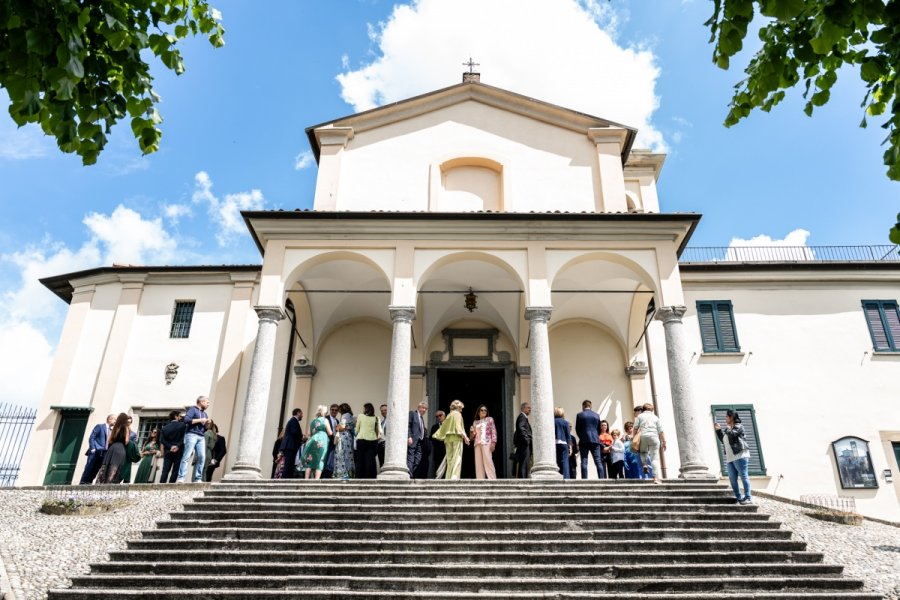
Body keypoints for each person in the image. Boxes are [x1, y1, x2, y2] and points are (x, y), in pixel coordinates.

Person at [715, 409, 752, 504]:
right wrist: (719, 431)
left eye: (727, 417)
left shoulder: (739, 426)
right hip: (730, 458)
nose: (725, 418)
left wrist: (727, 429)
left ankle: (748, 497)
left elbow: (733, 434)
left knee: (744, 476)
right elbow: (724, 440)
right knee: (732, 479)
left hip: (740, 455)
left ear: (731, 417)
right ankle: (739, 498)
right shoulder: (728, 429)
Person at [177, 395, 211, 483]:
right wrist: (200, 420)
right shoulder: (193, 409)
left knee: (202, 457)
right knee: (187, 456)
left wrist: (207, 423)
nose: (208, 404)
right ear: (201, 402)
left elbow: (205, 427)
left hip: (201, 436)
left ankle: (198, 478)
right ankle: (181, 477)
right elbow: (186, 420)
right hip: (191, 434)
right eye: (207, 402)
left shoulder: (205, 413)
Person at [432, 399, 469, 479]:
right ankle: (454, 477)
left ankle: (448, 477)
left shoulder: (449, 415)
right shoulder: (457, 414)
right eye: (461, 408)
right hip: (456, 438)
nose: (461, 410)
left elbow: (443, 428)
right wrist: (465, 437)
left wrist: (438, 435)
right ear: (458, 407)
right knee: (457, 458)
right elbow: (458, 427)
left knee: (449, 460)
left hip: (448, 439)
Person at [633, 402, 666, 484]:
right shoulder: (655, 417)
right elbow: (661, 431)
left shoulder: (639, 416)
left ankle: (644, 464)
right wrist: (664, 441)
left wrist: (634, 438)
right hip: (654, 437)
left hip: (643, 436)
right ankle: (655, 478)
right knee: (654, 458)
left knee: (643, 451)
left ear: (643, 409)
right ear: (652, 410)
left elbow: (635, 428)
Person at [79, 414, 115, 485]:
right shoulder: (100, 426)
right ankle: (82, 484)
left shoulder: (112, 431)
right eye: (115, 419)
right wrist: (93, 448)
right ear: (109, 419)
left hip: (103, 453)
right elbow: (92, 437)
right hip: (95, 452)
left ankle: (89, 484)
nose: (116, 421)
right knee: (89, 468)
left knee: (96, 470)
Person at [575, 400, 605, 479]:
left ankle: (584, 479)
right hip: (595, 440)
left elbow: (577, 429)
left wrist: (581, 436)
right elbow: (599, 428)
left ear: (583, 406)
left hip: (584, 440)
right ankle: (602, 479)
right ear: (590, 406)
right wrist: (595, 436)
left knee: (584, 461)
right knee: (598, 461)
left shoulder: (579, 415)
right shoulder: (596, 415)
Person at [302, 405, 334, 479]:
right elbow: (330, 433)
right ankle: (316, 480)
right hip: (322, 440)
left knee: (310, 459)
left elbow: (309, 434)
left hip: (313, 440)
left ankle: (306, 479)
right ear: (324, 413)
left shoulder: (313, 421)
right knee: (320, 459)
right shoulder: (325, 420)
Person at [97, 413, 130, 484]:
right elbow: (126, 441)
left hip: (112, 448)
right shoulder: (125, 427)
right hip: (120, 448)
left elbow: (109, 440)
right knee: (115, 466)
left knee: (107, 466)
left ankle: (103, 483)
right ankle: (111, 483)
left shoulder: (115, 427)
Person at [470, 405, 498, 480]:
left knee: (488, 460)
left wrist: (493, 442)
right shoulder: (475, 422)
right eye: (482, 410)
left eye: (485, 410)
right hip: (477, 444)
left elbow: (493, 431)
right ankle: (480, 479)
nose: (483, 411)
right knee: (478, 463)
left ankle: (492, 479)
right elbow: (472, 437)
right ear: (478, 412)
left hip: (486, 442)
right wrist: (471, 433)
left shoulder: (490, 419)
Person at [355, 402, 381, 479]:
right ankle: (370, 477)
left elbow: (357, 429)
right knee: (370, 460)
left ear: (366, 409)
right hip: (373, 440)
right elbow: (379, 431)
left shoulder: (360, 416)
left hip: (361, 439)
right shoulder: (377, 418)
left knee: (360, 459)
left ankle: (359, 476)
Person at [159, 410, 185, 484]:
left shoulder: (165, 428)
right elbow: (183, 438)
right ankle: (171, 485)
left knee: (165, 470)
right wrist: (177, 446)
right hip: (179, 451)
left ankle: (161, 485)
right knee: (175, 470)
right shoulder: (183, 425)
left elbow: (162, 440)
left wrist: (170, 446)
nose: (180, 418)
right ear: (176, 416)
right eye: (179, 416)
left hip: (168, 451)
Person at [279, 408, 304, 479]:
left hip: (290, 446)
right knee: (288, 464)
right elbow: (294, 432)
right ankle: (285, 480)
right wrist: (302, 436)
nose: (302, 416)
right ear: (298, 413)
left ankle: (287, 478)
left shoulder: (293, 421)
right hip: (290, 446)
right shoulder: (294, 421)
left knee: (289, 463)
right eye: (301, 414)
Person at [334, 403, 356, 479]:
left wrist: (337, 427)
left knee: (342, 454)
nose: (338, 411)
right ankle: (350, 473)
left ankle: (343, 474)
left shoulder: (345, 415)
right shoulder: (351, 416)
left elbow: (342, 427)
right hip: (349, 437)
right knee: (348, 455)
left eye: (339, 409)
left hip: (344, 437)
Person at [407, 401, 428, 478]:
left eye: (426, 409)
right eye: (423, 408)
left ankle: (413, 474)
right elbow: (408, 426)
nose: (424, 410)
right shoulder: (412, 414)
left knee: (418, 459)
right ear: (419, 407)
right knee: (411, 458)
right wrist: (409, 437)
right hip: (412, 440)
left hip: (420, 442)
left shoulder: (421, 418)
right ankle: (409, 475)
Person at [513, 402, 532, 478]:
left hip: (524, 443)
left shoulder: (524, 417)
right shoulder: (522, 417)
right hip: (524, 444)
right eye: (528, 408)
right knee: (524, 462)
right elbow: (521, 428)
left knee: (524, 462)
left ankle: (523, 477)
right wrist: (526, 440)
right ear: (523, 408)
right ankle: (523, 479)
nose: (530, 409)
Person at [321, 404, 340, 479]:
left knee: (331, 461)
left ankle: (329, 476)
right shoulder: (326, 418)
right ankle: (322, 476)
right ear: (330, 410)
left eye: (336, 410)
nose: (334, 411)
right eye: (332, 409)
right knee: (325, 459)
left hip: (334, 443)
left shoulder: (338, 421)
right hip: (326, 442)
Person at [553, 407, 572, 479]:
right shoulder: (565, 422)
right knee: (565, 462)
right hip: (564, 443)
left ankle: (556, 477)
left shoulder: (552, 421)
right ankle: (566, 478)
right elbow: (568, 435)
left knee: (556, 461)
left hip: (554, 444)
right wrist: (570, 446)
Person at [430, 410, 446, 478]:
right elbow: (431, 438)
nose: (439, 417)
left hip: (447, 449)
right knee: (438, 467)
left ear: (444, 416)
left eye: (440, 415)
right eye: (437, 416)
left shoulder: (448, 425)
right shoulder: (434, 427)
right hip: (438, 451)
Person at [376, 404, 388, 470]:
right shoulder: (382, 422)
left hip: (387, 444)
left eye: (385, 410)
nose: (383, 412)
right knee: (381, 462)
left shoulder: (392, 420)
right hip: (380, 444)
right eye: (382, 411)